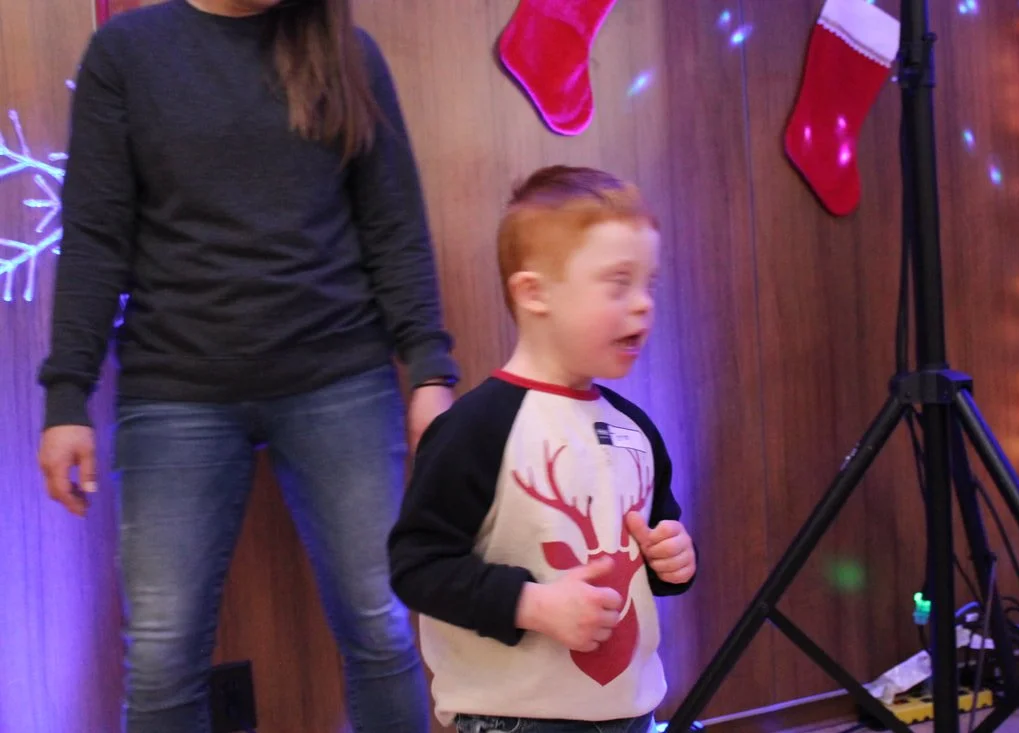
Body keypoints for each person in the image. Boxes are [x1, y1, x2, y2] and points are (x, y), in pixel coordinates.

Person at [34, 1, 453, 731]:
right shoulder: (126, 53)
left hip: (340, 376)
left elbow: (394, 225)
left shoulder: (346, 53)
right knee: (161, 660)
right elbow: (95, 237)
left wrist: (429, 369)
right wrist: (67, 396)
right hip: (176, 388)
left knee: (380, 628)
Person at [388, 165, 698, 733]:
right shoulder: (475, 429)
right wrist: (532, 605)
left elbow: (653, 552)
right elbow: (417, 567)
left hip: (631, 713)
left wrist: (673, 559)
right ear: (534, 294)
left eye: (649, 284)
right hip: (514, 718)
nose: (643, 304)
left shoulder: (635, 429)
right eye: (618, 284)